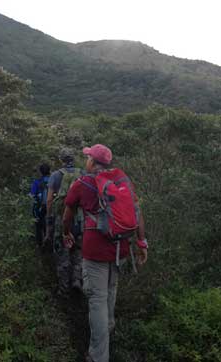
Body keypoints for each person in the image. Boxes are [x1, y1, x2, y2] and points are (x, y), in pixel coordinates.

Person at [62, 144, 148, 362]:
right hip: (120, 248)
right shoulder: (122, 181)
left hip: (95, 252)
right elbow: (137, 212)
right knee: (110, 290)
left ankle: (98, 356)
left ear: (92, 162)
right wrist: (142, 242)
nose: (86, 160)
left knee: (97, 299)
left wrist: (66, 232)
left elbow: (68, 212)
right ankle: (108, 328)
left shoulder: (82, 183)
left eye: (88, 157)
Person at [45, 148, 84, 297]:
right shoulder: (82, 174)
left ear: (61, 160)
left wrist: (49, 219)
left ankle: (64, 289)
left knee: (63, 252)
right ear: (73, 159)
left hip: (61, 220)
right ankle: (76, 280)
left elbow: (49, 200)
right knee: (78, 251)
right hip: (80, 220)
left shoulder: (55, 175)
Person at [29, 163, 51, 248]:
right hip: (51, 207)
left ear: (41, 172)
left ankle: (40, 245)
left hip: (39, 208)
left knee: (38, 227)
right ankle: (49, 244)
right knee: (49, 225)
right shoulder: (53, 180)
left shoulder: (36, 182)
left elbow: (32, 195)